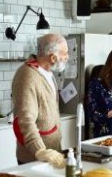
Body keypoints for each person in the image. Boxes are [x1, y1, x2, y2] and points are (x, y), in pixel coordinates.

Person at [11, 34, 69, 169]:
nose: (67, 57)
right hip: (34, 158)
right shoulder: (28, 76)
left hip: (52, 154)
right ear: (52, 57)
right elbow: (25, 120)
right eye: (65, 54)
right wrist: (40, 150)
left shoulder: (47, 72)